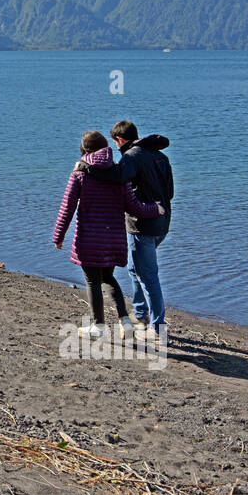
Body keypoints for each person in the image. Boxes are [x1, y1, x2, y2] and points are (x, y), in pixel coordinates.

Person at [54, 131, 165, 341]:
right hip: (113, 239)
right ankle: (125, 320)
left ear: (84, 150)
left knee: (93, 281)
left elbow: (67, 208)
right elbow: (134, 206)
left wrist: (59, 236)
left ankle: (98, 326)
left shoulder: (79, 174)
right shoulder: (118, 174)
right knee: (108, 277)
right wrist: (155, 209)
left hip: (88, 239)